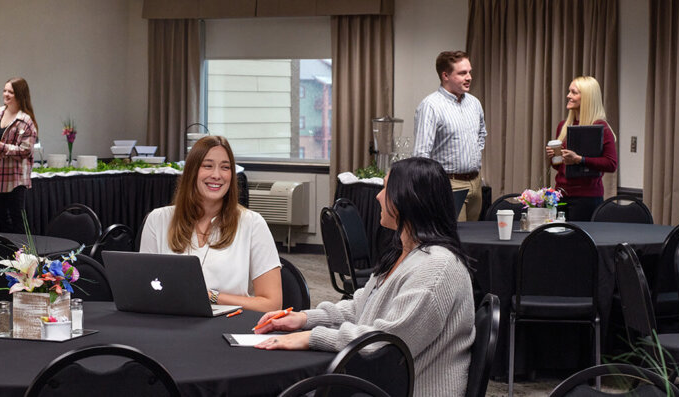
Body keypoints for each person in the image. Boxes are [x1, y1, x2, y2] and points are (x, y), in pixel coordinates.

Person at [254, 157, 476, 396]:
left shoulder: (437, 268)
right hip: (381, 382)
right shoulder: (405, 254)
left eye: (385, 188)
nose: (378, 196)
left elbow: (387, 343)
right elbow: (361, 308)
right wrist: (304, 319)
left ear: (407, 199)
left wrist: (311, 337)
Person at [139, 136, 283, 313]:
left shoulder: (252, 224)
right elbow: (143, 292)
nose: (217, 175)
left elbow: (272, 304)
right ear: (192, 172)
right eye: (207, 166)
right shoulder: (158, 220)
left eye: (225, 167)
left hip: (228, 325)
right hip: (170, 323)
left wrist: (210, 296)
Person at [414, 50, 487, 221]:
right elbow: (421, 155)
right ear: (445, 75)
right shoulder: (430, 106)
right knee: (455, 239)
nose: (469, 77)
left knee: (474, 239)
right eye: (462, 73)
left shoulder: (474, 103)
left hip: (475, 183)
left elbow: (482, 134)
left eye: (469, 72)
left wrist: (472, 155)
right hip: (448, 184)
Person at [544, 76, 617, 221]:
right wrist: (554, 157)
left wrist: (579, 159)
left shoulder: (601, 128)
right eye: (569, 92)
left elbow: (611, 164)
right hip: (560, 195)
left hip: (586, 199)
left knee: (578, 242)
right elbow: (560, 168)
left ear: (587, 98)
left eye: (573, 92)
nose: (568, 96)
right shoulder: (564, 126)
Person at [0, 77, 38, 233]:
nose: (6, 94)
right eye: (4, 90)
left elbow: (25, 151)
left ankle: (21, 254)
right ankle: (5, 252)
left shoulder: (26, 121)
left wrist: (0, 146)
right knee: (0, 218)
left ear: (20, 94)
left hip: (15, 178)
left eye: (10, 92)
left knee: (17, 219)